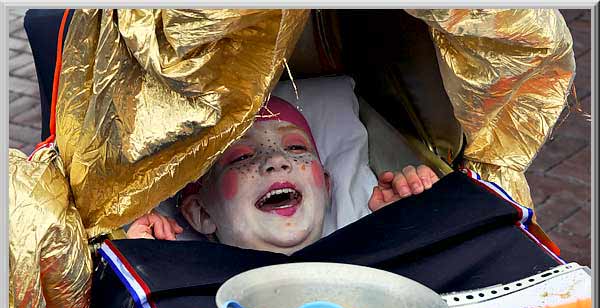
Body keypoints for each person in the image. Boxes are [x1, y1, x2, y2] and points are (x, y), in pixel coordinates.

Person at [126, 96, 439, 252]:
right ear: (200, 212)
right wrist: (146, 258)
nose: (277, 159)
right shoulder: (191, 287)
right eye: (243, 156)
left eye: (297, 149)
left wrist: (408, 226)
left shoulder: (373, 254)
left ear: (327, 188)